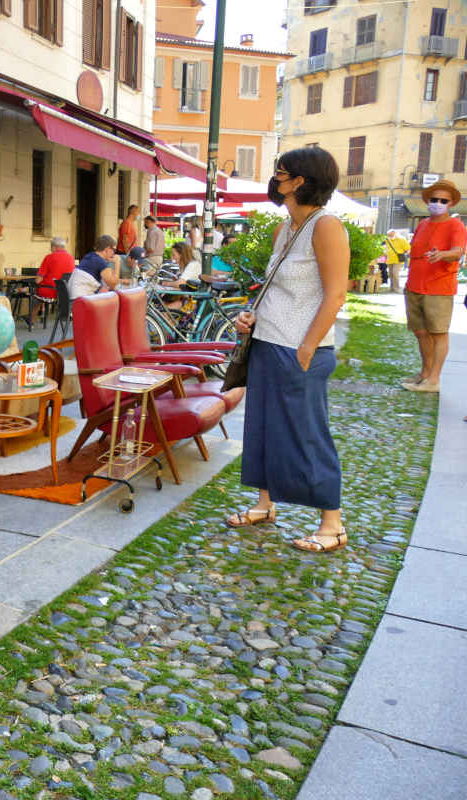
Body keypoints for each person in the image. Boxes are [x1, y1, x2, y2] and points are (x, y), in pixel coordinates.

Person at [229, 146, 348, 554]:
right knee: (261, 428)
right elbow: (276, 289)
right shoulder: (286, 229)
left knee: (307, 434)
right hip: (267, 342)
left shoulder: (326, 226)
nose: (274, 178)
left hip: (300, 350)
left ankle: (332, 523)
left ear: (299, 181)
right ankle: (265, 504)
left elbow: (335, 295)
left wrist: (307, 349)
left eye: (280, 171)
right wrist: (252, 316)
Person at [402, 180, 465, 392]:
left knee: (438, 333)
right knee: (420, 332)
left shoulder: (455, 225)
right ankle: (426, 373)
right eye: (433, 199)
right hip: (414, 286)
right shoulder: (422, 224)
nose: (437, 203)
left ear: (451, 203)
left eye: (443, 200)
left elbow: (458, 251)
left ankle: (434, 379)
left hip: (439, 287)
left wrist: (442, 254)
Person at [160, 241, 202, 310]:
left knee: (164, 311)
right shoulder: (184, 266)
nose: (172, 258)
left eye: (173, 255)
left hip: (192, 301)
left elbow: (180, 283)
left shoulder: (193, 265)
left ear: (181, 254)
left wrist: (165, 283)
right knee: (162, 305)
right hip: (186, 298)